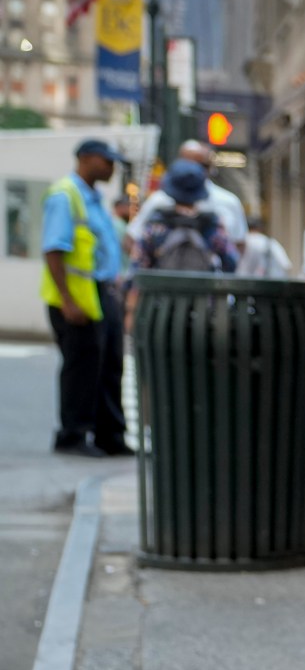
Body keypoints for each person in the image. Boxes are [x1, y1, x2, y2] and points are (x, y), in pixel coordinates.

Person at [41, 139, 129, 458]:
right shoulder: (65, 195)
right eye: (107, 161)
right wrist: (67, 300)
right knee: (81, 369)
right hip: (77, 300)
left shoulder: (93, 198)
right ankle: (73, 435)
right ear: (87, 159)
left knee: (108, 366)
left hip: (102, 294)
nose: (111, 167)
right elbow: (53, 249)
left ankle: (110, 436)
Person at [135, 162, 238, 274]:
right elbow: (231, 262)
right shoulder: (212, 224)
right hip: (203, 290)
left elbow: (138, 264)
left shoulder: (157, 224)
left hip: (162, 290)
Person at [135, 139, 247, 240]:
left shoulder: (228, 202)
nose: (192, 171)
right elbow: (132, 239)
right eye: (188, 164)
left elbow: (239, 243)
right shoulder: (158, 201)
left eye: (201, 165)